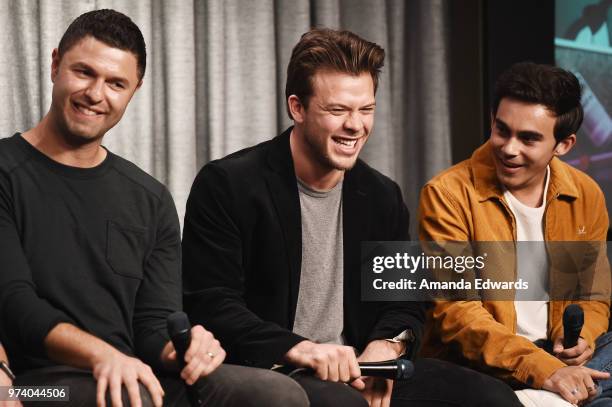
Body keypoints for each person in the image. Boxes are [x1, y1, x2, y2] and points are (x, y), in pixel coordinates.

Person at [182, 27, 521, 407]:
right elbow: (212, 303)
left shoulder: (382, 196)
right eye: (337, 110)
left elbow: (403, 301)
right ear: (297, 107)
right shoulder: (229, 184)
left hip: (361, 367)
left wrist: (385, 347)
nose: (355, 126)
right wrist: (302, 349)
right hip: (276, 369)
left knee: (494, 398)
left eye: (366, 109)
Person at [0, 9, 308, 407]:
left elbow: (152, 325)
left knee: (273, 393)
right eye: (84, 72)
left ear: (135, 89)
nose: (96, 94)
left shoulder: (150, 198)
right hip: (33, 383)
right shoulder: (6, 171)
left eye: (116, 83)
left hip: (131, 375)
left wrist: (185, 348)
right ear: (56, 63)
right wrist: (103, 356)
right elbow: (14, 304)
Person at [418, 62, 612, 406]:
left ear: (563, 145)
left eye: (528, 138)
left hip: (559, 355)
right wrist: (546, 370)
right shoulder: (446, 194)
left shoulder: (586, 194)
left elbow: (593, 295)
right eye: (501, 130)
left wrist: (581, 338)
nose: (509, 148)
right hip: (486, 365)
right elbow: (457, 314)